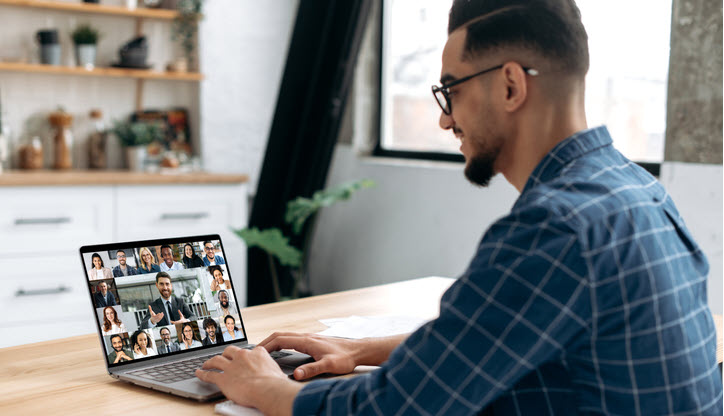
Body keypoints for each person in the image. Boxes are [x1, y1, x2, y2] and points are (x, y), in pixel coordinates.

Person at [195, 1, 723, 415]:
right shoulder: (634, 190)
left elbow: (393, 408)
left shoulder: (557, 225)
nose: (445, 121)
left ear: (511, 84)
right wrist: (361, 350)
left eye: (450, 90)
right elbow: (489, 337)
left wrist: (266, 389)